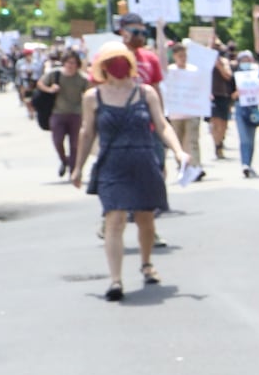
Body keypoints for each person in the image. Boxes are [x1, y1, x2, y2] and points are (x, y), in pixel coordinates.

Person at [70, 42, 190, 300]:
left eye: (122, 60)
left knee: (145, 219)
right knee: (114, 219)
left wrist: (179, 152)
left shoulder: (146, 93)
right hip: (112, 163)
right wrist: (77, 167)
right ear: (103, 67)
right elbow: (87, 132)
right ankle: (116, 280)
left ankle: (146, 264)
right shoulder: (93, 97)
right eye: (112, 61)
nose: (118, 66)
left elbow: (162, 125)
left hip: (143, 160)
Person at [38, 52, 90, 177]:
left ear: (77, 65)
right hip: (58, 112)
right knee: (57, 140)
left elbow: (89, 93)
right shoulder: (55, 74)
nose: (70, 65)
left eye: (73, 63)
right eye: (68, 62)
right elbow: (40, 83)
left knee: (75, 144)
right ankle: (64, 160)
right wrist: (50, 89)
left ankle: (73, 170)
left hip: (76, 113)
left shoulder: (82, 78)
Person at [164, 42, 206, 179]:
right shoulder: (170, 71)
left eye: (185, 55)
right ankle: (184, 166)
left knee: (192, 140)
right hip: (175, 113)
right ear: (175, 56)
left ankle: (196, 167)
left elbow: (201, 87)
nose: (183, 58)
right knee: (179, 142)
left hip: (192, 111)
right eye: (180, 55)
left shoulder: (194, 70)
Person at [231, 49, 259, 178]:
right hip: (240, 108)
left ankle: (249, 163)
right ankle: (245, 164)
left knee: (251, 139)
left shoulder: (257, 74)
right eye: (243, 60)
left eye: (247, 60)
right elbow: (231, 95)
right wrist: (238, 93)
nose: (245, 62)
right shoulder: (235, 76)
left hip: (253, 108)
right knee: (244, 138)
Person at [208, 43, 235, 161]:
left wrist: (219, 65)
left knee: (223, 123)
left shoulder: (224, 62)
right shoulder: (206, 61)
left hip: (224, 94)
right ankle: (217, 145)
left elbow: (228, 76)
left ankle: (221, 141)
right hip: (211, 95)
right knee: (215, 122)